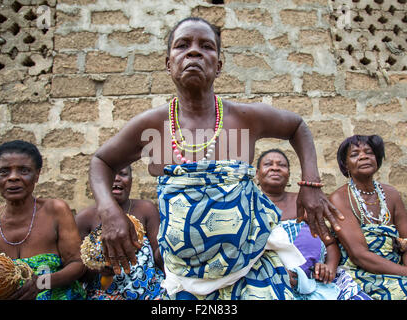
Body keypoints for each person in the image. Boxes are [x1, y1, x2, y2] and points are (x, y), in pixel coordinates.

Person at [88, 17, 344, 300]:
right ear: (168, 63)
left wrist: (311, 183)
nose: (194, 52)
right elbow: (101, 161)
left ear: (219, 65)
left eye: (206, 46)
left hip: (252, 269)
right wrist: (109, 211)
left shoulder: (244, 118)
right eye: (182, 45)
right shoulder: (152, 126)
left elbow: (297, 126)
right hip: (186, 279)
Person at [257, 148, 371, 300]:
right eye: (268, 164)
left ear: (289, 174)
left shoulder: (304, 202)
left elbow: (329, 244)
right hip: (267, 278)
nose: (275, 167)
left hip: (315, 280)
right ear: (257, 173)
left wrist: (329, 267)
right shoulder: (250, 205)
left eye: (282, 165)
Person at [0, 140, 86, 300]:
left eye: (24, 171)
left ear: (37, 175)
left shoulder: (55, 210)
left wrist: (42, 283)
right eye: (4, 172)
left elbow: (77, 263)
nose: (13, 178)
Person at [329, 134, 407, 300]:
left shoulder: (392, 195)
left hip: (397, 268)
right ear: (345, 165)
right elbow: (359, 255)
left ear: (377, 159)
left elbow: (406, 240)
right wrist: (404, 273)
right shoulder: (340, 198)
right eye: (355, 154)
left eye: (369, 152)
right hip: (361, 273)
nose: (363, 156)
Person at [75, 166, 164, 300]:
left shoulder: (146, 210)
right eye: (111, 174)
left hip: (150, 293)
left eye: (123, 174)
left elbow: (159, 257)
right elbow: (78, 271)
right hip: (103, 295)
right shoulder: (85, 219)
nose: (117, 178)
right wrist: (98, 269)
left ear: (131, 180)